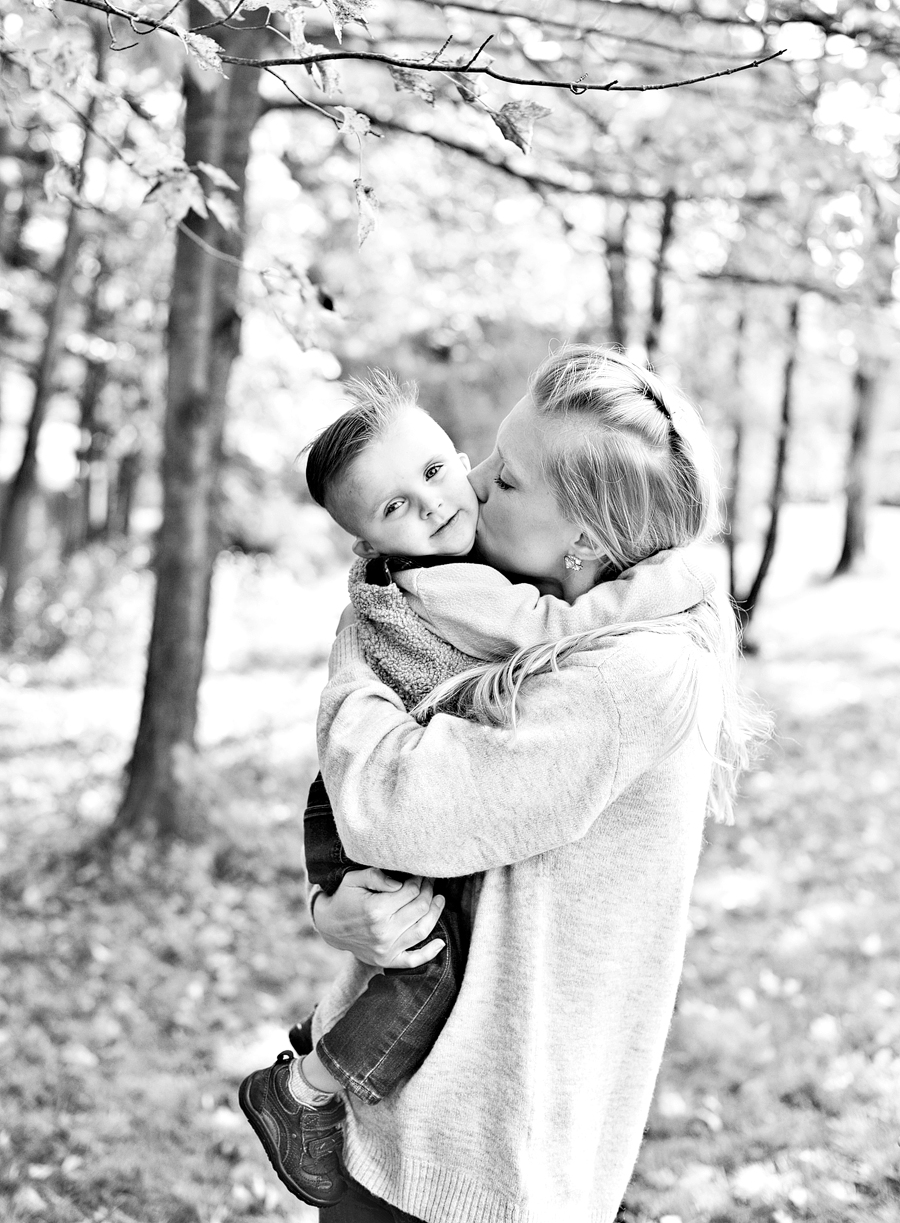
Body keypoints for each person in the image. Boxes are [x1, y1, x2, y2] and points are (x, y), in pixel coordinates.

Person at [297, 344, 765, 1223]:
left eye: (504, 481)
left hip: (483, 1158)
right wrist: (332, 908)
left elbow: (388, 803)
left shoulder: (637, 674)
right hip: (398, 1119)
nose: (468, 485)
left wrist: (349, 667)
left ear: (586, 537)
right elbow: (381, 623)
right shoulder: (515, 598)